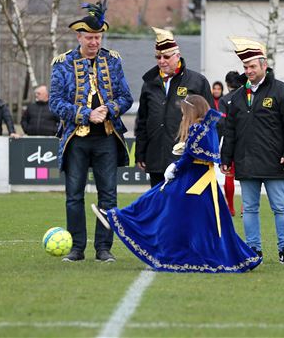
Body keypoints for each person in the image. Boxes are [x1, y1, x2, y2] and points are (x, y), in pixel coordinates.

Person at [92, 95, 261, 273]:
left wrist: (175, 167)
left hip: (193, 182)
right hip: (203, 183)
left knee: (157, 202)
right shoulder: (208, 127)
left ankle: (119, 219)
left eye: (183, 112)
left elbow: (191, 156)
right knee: (181, 212)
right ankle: (118, 218)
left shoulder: (197, 128)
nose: (182, 116)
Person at [49, 0, 133, 263]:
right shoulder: (62, 63)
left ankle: (104, 248)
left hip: (107, 138)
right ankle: (76, 248)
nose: (95, 42)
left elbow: (126, 97)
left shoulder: (113, 61)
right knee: (74, 196)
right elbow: (55, 102)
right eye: (90, 38)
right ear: (79, 37)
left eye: (98, 37)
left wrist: (108, 109)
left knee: (109, 195)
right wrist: (86, 114)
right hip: (76, 140)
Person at [221, 37, 284, 265]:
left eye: (252, 67)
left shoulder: (283, 91)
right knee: (250, 209)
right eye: (245, 67)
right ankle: (253, 250)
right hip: (245, 162)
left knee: (280, 207)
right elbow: (231, 130)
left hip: (275, 160)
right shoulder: (235, 97)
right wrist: (226, 157)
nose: (248, 71)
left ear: (264, 65)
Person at [135, 27, 214, 188]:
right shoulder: (149, 83)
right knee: (159, 203)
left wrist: (203, 150)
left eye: (166, 56)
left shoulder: (196, 81)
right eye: (158, 57)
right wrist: (141, 153)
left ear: (177, 56)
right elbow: (142, 121)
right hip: (156, 155)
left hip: (186, 157)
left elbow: (211, 119)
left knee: (183, 205)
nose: (161, 60)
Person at [219, 71, 242, 216]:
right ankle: (245, 208)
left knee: (229, 175)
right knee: (247, 175)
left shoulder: (224, 100)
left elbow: (221, 122)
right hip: (246, 140)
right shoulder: (246, 97)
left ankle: (231, 207)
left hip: (230, 141)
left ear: (227, 84)